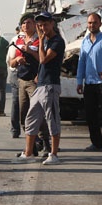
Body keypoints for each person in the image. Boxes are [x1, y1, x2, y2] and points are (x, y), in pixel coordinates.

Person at [13, 11, 65, 165]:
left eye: (45, 24)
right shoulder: (47, 40)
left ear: (52, 24)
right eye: (40, 25)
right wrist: (38, 76)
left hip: (50, 86)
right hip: (40, 84)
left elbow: (43, 59)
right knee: (31, 118)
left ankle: (53, 154)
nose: (43, 28)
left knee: (52, 120)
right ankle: (28, 153)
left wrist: (41, 41)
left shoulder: (56, 41)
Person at [77, 12, 102, 152]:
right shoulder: (85, 42)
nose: (91, 25)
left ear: (100, 24)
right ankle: (96, 143)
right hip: (89, 83)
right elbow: (81, 61)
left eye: (94, 22)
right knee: (90, 114)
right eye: (89, 23)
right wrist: (79, 81)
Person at [10, 13, 51, 154]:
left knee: (38, 114)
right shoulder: (19, 40)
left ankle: (46, 143)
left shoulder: (39, 40)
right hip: (21, 80)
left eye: (29, 23)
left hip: (35, 82)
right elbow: (11, 62)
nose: (26, 25)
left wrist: (30, 52)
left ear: (34, 25)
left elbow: (43, 59)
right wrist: (17, 61)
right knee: (23, 115)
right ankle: (32, 146)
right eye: (23, 23)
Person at [7, 25, 22, 138]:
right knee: (16, 102)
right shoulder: (16, 39)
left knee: (17, 102)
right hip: (17, 73)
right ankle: (15, 129)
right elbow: (10, 60)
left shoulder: (38, 39)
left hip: (31, 75)